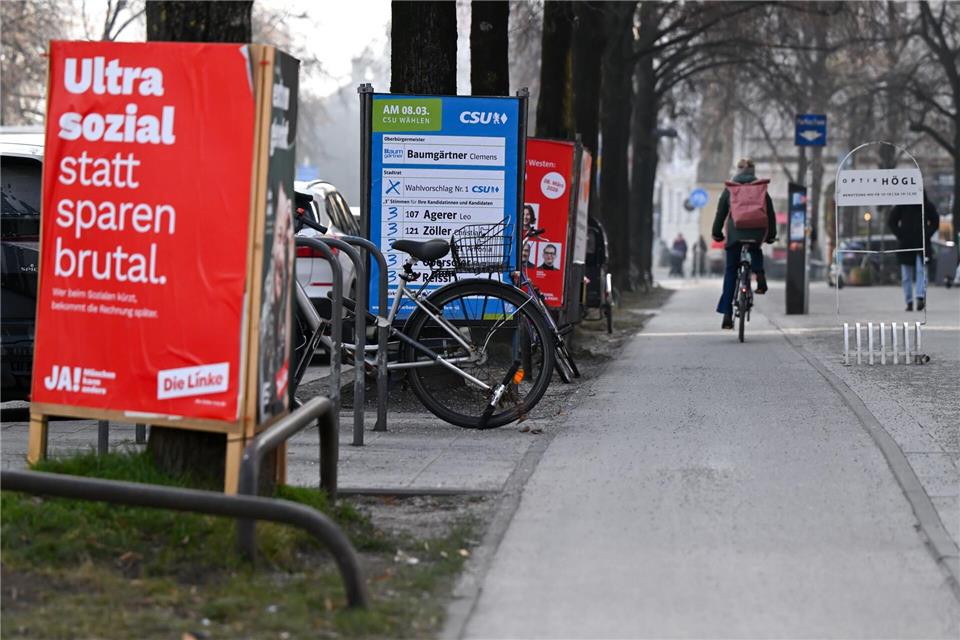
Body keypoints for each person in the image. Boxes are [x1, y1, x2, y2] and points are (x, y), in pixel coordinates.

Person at [712, 158, 776, 330]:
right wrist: (771, 236)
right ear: (753, 171)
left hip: (735, 235)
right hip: (756, 233)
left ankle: (727, 313)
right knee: (755, 249)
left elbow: (720, 213)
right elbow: (770, 214)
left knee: (731, 271)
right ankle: (760, 276)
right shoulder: (761, 189)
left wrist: (716, 233)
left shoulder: (730, 189)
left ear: (738, 170)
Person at [887, 192, 940, 311]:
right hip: (906, 244)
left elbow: (935, 221)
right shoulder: (902, 205)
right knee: (906, 276)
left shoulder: (927, 205)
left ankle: (920, 297)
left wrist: (927, 234)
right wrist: (901, 234)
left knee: (922, 271)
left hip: (922, 243)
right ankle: (909, 301)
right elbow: (891, 221)